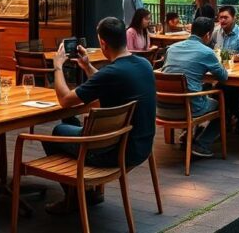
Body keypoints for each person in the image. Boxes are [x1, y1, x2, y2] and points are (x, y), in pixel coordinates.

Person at [46, 17, 157, 213]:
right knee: (69, 121)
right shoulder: (144, 65)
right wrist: (87, 66)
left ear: (103, 43)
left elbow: (65, 99)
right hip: (142, 145)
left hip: (114, 152)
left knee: (58, 132)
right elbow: (108, 80)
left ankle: (77, 198)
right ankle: (87, 192)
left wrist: (57, 66)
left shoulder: (111, 73)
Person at [159, 16, 227, 158]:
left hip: (163, 108)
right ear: (208, 35)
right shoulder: (206, 52)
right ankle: (202, 144)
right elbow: (223, 77)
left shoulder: (171, 49)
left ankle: (188, 134)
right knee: (224, 105)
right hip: (188, 109)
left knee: (198, 89)